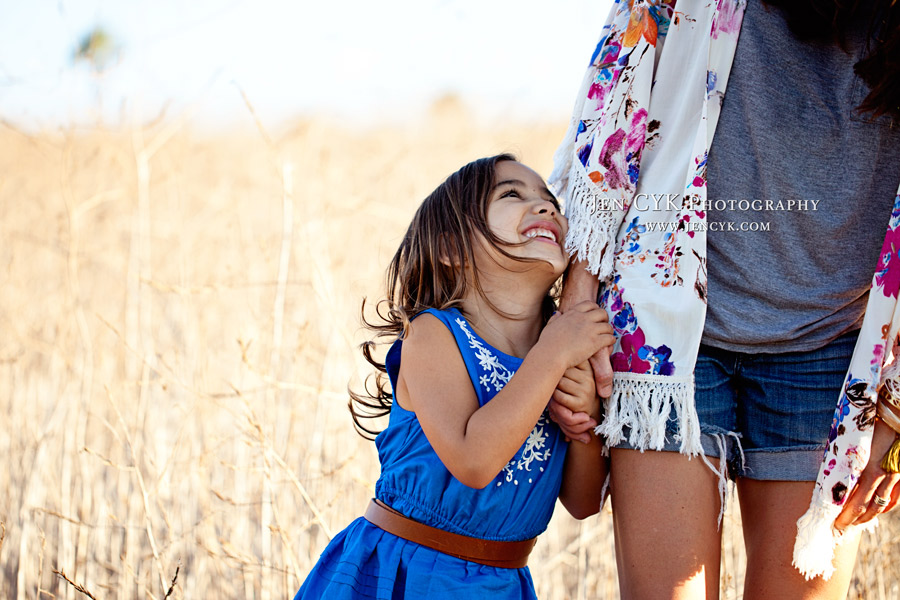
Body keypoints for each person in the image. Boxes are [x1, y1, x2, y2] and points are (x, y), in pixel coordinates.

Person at [549, 0, 900, 598]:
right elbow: (616, 97)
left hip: (832, 351)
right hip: (667, 334)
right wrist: (578, 302)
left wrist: (892, 405)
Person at [294, 154, 614, 600]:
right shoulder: (433, 334)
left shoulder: (557, 351)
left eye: (550, 200)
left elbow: (584, 504)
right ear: (451, 250)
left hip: (501, 584)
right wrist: (553, 355)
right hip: (406, 574)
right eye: (511, 194)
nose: (546, 208)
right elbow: (473, 461)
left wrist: (585, 417)